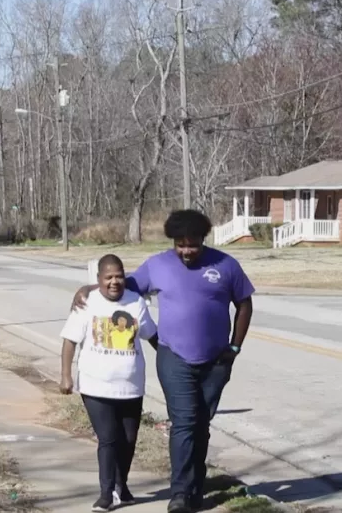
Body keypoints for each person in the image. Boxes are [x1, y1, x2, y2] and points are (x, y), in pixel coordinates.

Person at [72, 209, 254, 513]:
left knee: (201, 424)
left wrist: (234, 347)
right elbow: (123, 285)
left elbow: (244, 304)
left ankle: (195, 488)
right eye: (179, 244)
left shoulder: (226, 265)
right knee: (184, 422)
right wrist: (90, 288)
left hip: (216, 361)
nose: (185, 251)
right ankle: (180, 493)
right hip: (174, 357)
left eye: (192, 244)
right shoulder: (158, 265)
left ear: (202, 239)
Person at [60, 253, 159, 512]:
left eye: (119, 276)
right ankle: (105, 493)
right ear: (99, 280)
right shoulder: (86, 302)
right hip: (96, 385)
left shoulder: (136, 301)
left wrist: (176, 361)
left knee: (128, 439)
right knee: (108, 438)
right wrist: (66, 375)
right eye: (108, 277)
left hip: (131, 386)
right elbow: (70, 340)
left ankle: (121, 486)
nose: (114, 282)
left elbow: (152, 335)